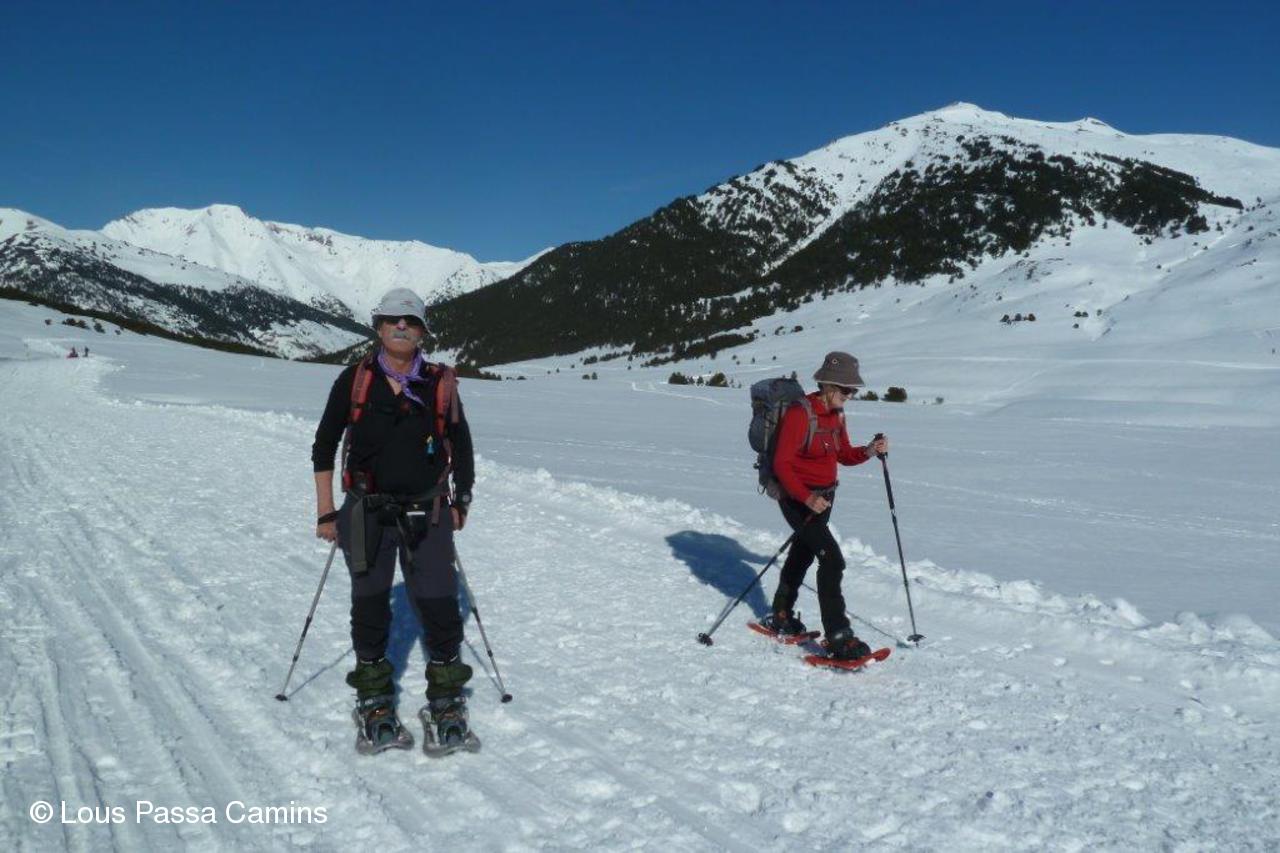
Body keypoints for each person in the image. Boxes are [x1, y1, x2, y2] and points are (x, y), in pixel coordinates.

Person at [311, 287, 476, 753]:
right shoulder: (355, 380)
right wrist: (326, 511)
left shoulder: (440, 383)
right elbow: (324, 445)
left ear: (423, 331)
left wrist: (462, 499)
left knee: (440, 604)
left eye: (411, 320)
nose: (401, 326)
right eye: (392, 319)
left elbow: (462, 446)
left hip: (430, 510)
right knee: (369, 603)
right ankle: (374, 698)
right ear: (379, 327)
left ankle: (445, 698)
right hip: (365, 511)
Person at [759, 351, 888, 660]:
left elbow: (842, 454)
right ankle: (838, 635)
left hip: (825, 497)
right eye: (846, 389)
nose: (850, 394)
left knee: (803, 552)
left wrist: (869, 451)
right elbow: (781, 463)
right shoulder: (800, 413)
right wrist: (806, 498)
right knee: (832, 561)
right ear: (829, 385)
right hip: (796, 497)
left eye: (853, 390)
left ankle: (781, 613)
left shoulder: (837, 415)